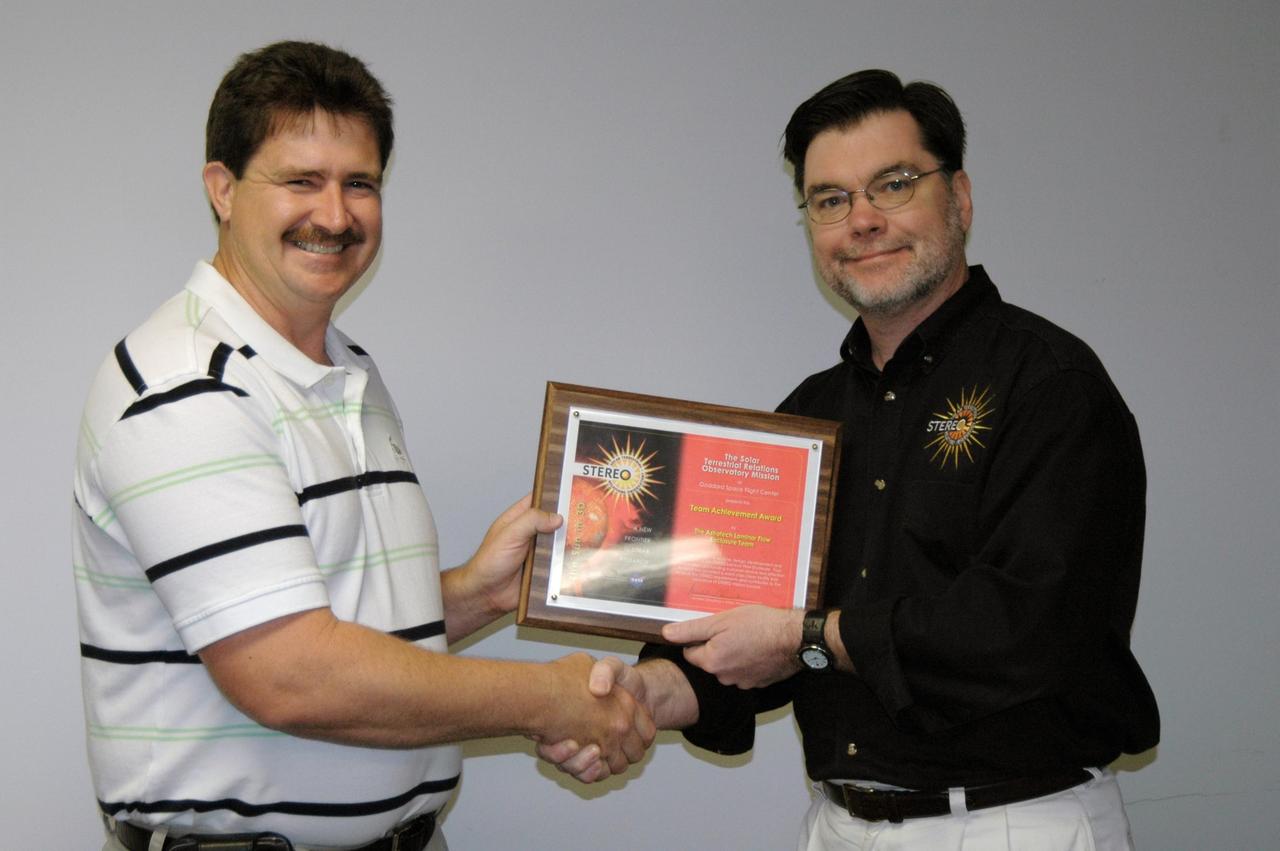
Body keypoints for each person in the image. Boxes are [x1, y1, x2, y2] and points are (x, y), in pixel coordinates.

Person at [542, 70, 1159, 850]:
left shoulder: (1050, 386)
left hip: (1011, 821)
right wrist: (639, 695)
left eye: (893, 185)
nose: (862, 220)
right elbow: (747, 626)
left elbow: (1025, 630)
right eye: (830, 199)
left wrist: (808, 634)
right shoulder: (807, 417)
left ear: (960, 198)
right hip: (839, 825)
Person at [73, 40, 653, 851]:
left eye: (360, 183)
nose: (336, 215)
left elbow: (323, 619)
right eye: (301, 180)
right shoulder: (187, 382)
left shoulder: (348, 368)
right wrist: (543, 697)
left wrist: (474, 594)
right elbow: (291, 673)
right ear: (223, 189)